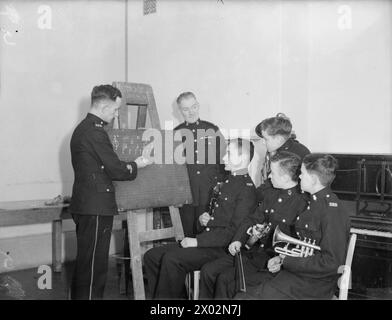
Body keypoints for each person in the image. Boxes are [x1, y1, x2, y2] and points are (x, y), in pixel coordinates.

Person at [143, 138, 257, 299]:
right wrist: (204, 220)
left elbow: (234, 232)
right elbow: (216, 219)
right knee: (152, 256)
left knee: (172, 259)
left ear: (243, 158)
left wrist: (197, 242)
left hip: (221, 249)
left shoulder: (247, 190)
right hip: (208, 240)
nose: (224, 158)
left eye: (229, 154)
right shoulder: (228, 181)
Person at [69, 84, 151, 300]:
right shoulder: (94, 133)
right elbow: (116, 169)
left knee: (87, 265)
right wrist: (137, 164)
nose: (116, 115)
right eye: (115, 110)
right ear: (104, 108)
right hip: (95, 208)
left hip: (88, 206)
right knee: (94, 268)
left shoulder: (84, 129)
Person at [235, 154, 350, 300]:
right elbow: (305, 249)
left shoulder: (332, 211)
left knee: (244, 297)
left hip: (315, 284)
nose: (299, 177)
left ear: (314, 179)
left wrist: (287, 261)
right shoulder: (313, 204)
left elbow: (332, 262)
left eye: (302, 173)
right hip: (300, 275)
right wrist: (282, 259)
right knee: (243, 289)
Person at [199, 151, 307, 299]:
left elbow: (300, 244)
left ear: (285, 177)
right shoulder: (272, 194)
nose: (269, 176)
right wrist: (238, 238)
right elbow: (252, 219)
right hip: (255, 253)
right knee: (210, 271)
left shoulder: (302, 203)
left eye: (273, 173)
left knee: (226, 281)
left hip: (274, 263)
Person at [174, 92, 227, 237]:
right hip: (187, 193)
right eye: (185, 109)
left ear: (198, 106)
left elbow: (223, 161)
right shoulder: (176, 133)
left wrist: (221, 190)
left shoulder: (212, 129)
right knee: (187, 233)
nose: (190, 112)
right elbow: (173, 169)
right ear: (180, 111)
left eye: (193, 107)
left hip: (208, 192)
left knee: (206, 234)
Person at [255, 114, 310, 201]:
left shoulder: (287, 156)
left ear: (278, 139)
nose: (263, 143)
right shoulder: (283, 149)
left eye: (266, 139)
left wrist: (251, 196)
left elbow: (273, 185)